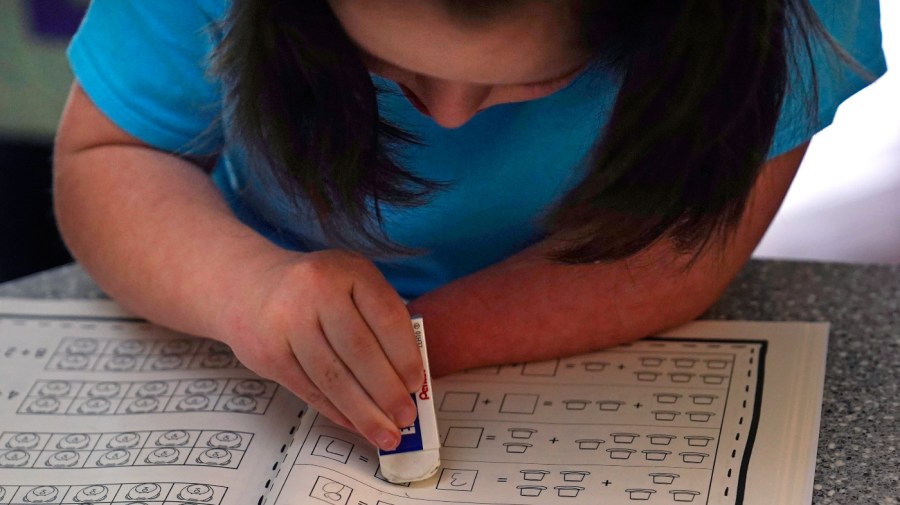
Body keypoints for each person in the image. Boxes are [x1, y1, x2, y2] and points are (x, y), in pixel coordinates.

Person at [55, 0, 885, 451]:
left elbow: (679, 248)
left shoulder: (777, 17)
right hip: (240, 305)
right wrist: (244, 290)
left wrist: (407, 347)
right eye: (382, 65)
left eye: (536, 80)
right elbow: (109, 155)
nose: (447, 118)